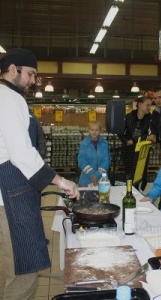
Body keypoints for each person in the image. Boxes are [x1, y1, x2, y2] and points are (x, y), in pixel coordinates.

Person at [0, 48, 79, 300]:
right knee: (23, 272)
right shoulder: (10, 99)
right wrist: (61, 180)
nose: (33, 81)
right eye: (31, 74)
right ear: (13, 69)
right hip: (10, 199)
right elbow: (21, 153)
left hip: (6, 194)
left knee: (7, 271)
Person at [118, 96, 155, 190]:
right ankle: (130, 191)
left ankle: (139, 190)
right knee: (129, 175)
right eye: (147, 105)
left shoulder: (151, 119)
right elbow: (119, 131)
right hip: (128, 151)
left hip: (142, 152)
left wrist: (135, 140)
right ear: (140, 105)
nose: (149, 107)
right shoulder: (128, 117)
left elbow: (151, 135)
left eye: (149, 105)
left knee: (141, 175)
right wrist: (126, 141)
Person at [78, 122, 111, 186]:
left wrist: (97, 175)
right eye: (92, 130)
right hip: (86, 180)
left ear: (100, 131)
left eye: (97, 130)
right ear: (88, 130)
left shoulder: (105, 144)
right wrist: (92, 174)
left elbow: (106, 161)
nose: (94, 132)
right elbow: (81, 161)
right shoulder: (84, 144)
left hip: (102, 179)